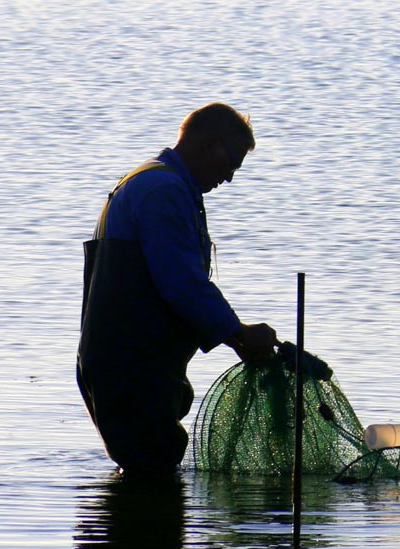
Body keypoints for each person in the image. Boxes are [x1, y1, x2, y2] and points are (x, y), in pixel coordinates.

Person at [78, 102, 278, 477]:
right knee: (152, 475)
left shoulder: (149, 181)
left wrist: (234, 336)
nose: (231, 178)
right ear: (207, 145)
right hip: (132, 369)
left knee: (145, 476)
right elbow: (182, 282)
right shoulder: (164, 190)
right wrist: (238, 334)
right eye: (231, 162)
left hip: (123, 364)